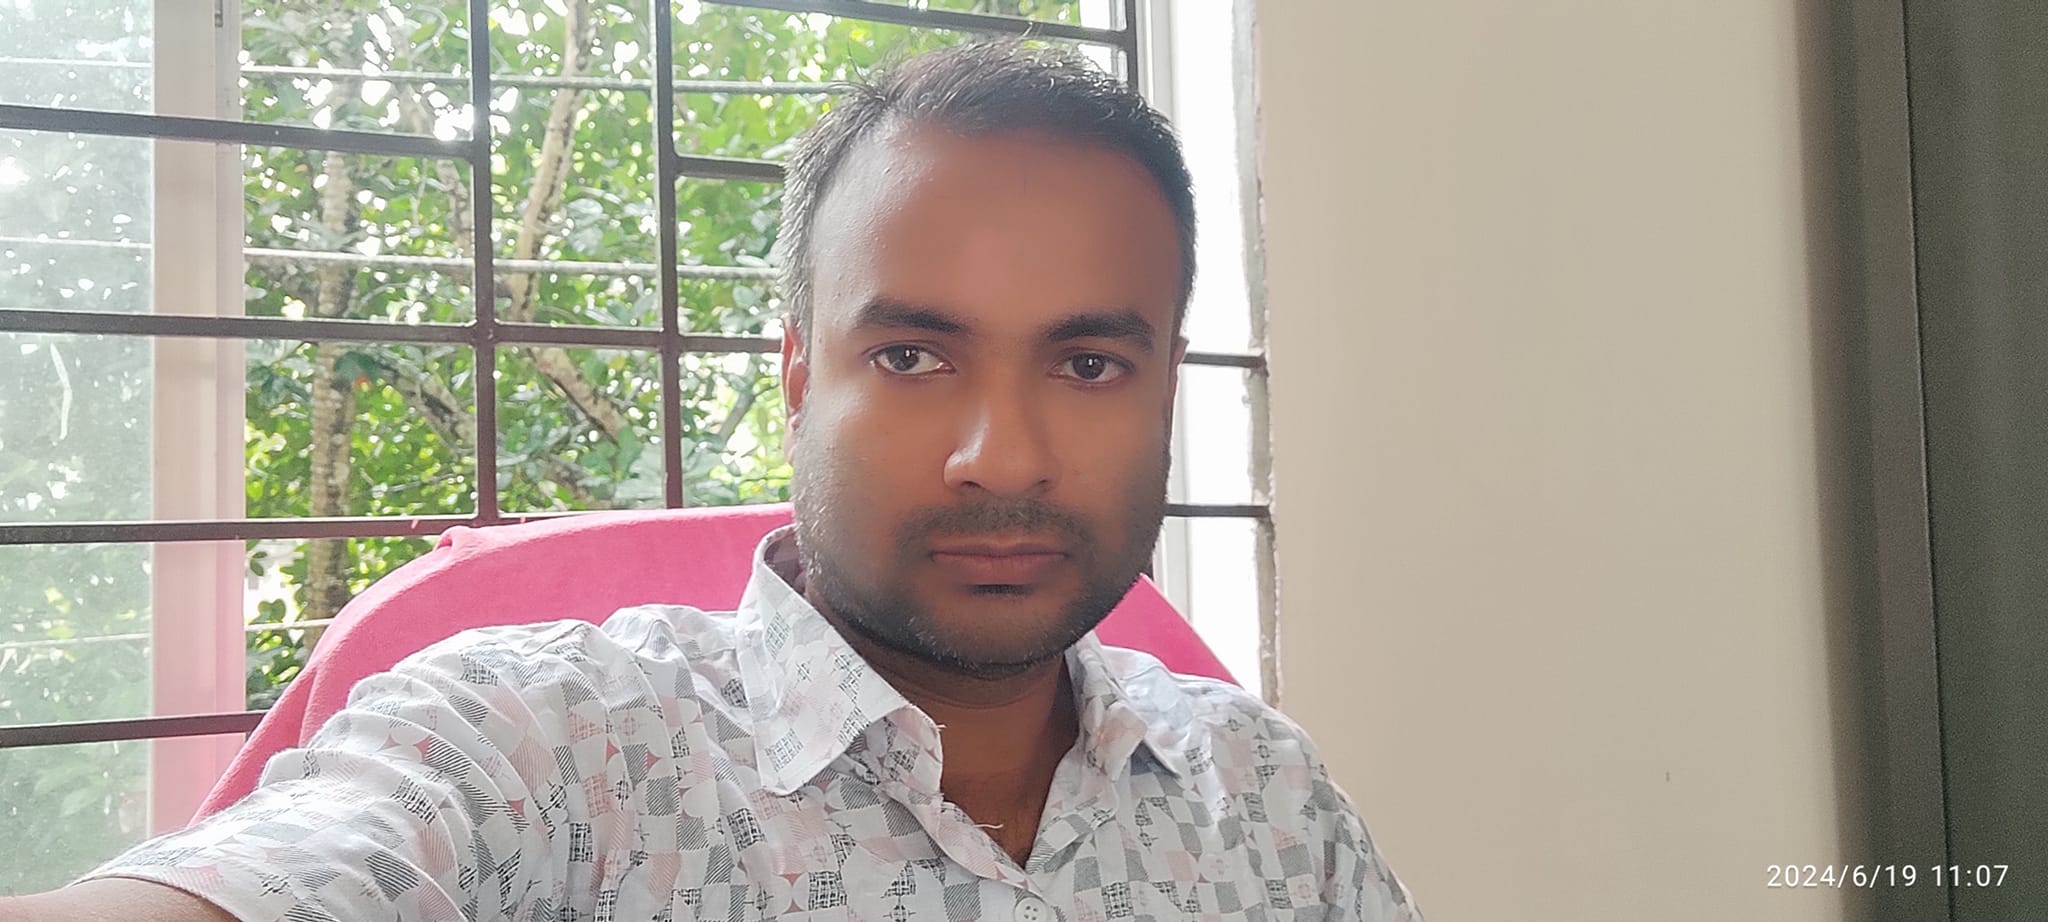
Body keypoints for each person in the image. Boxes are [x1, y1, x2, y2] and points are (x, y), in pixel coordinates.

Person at [0, 42, 1419, 922]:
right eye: (914, 356)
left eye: (1090, 363)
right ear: (798, 372)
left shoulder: (1269, 798)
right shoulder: (546, 749)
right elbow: (309, 867)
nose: (1002, 453)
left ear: (1167, 382)